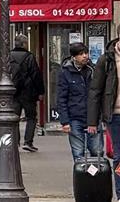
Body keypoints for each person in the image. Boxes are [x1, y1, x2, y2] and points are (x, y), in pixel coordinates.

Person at [58, 42, 102, 161]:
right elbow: (62, 98)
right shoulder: (65, 73)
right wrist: (65, 122)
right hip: (75, 117)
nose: (85, 56)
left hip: (93, 117)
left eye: (86, 53)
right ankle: (82, 178)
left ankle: (96, 178)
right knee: (78, 153)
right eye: (81, 54)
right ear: (74, 56)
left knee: (96, 152)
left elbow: (99, 94)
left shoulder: (92, 70)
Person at [88, 38, 120, 199]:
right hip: (115, 114)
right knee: (119, 155)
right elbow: (95, 90)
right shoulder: (107, 59)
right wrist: (92, 121)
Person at [9, 34, 45, 152]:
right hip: (28, 92)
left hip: (13, 92)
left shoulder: (9, 56)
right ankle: (28, 142)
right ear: (24, 44)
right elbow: (36, 75)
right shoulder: (29, 57)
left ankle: (15, 142)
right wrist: (40, 91)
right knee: (31, 117)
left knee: (14, 118)